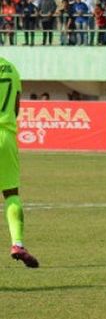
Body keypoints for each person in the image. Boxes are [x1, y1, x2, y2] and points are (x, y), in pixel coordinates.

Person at [0, 57, 39, 268]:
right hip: (5, 136)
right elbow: (15, 107)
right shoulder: (11, 68)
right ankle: (17, 244)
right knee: (11, 194)